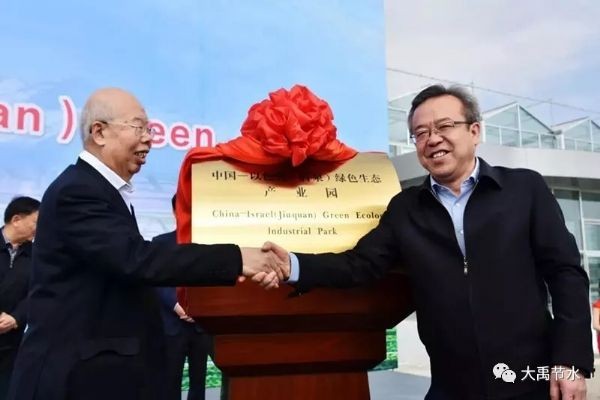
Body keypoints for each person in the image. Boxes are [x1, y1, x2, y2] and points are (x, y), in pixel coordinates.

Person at [264, 85, 594, 399]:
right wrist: (292, 265)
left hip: (529, 382)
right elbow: (359, 265)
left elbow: (566, 274)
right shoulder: (406, 208)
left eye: (445, 126)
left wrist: (570, 362)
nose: (433, 139)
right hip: (451, 386)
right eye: (421, 133)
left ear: (475, 131)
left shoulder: (524, 190)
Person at [7, 87, 284, 400]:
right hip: (75, 378)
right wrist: (237, 258)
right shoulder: (78, 191)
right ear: (99, 132)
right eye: (139, 127)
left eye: (150, 129)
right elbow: (136, 259)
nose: (150, 139)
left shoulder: (101, 191)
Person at [155, 195, 213, 400]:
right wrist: (176, 305)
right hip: (172, 326)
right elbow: (156, 282)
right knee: (170, 382)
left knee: (199, 383)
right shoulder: (160, 244)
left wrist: (199, 308)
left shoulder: (210, 245)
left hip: (201, 326)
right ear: (174, 212)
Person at [0, 196, 40, 399]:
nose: (38, 230)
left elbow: (38, 292)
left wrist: (16, 317)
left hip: (11, 344)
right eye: (36, 223)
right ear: (16, 219)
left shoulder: (37, 256)